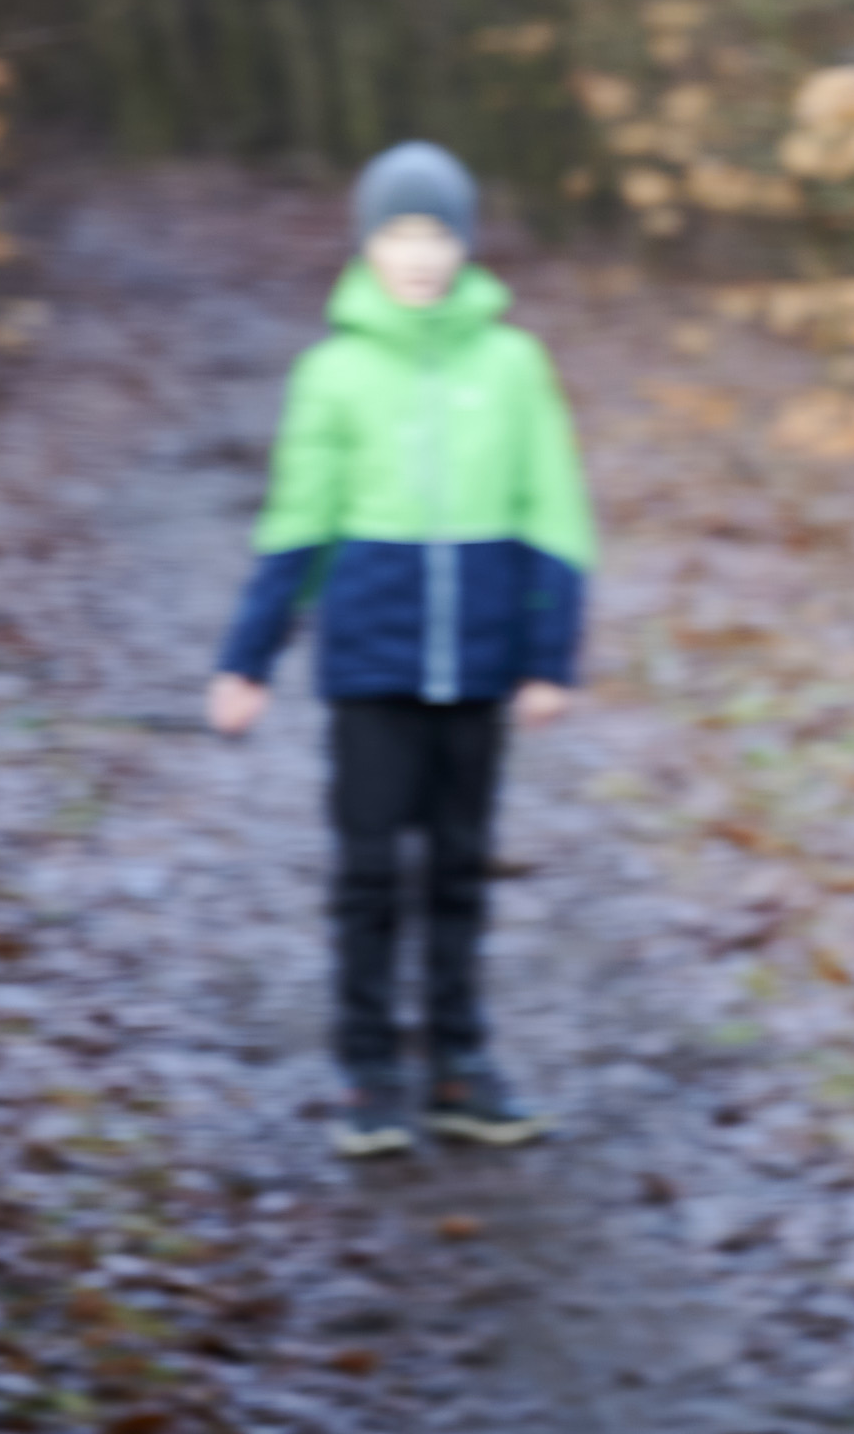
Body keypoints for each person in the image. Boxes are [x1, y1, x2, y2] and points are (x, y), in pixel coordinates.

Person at [207, 141, 594, 1159]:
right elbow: (297, 526)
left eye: (436, 237)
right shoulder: (332, 374)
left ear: (464, 246)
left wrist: (549, 658)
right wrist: (247, 660)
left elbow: (553, 514)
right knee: (369, 873)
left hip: (478, 669)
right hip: (370, 670)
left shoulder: (513, 365)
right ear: (368, 246)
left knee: (459, 870)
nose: (418, 257)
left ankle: (460, 1065)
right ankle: (369, 1071)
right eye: (398, 236)